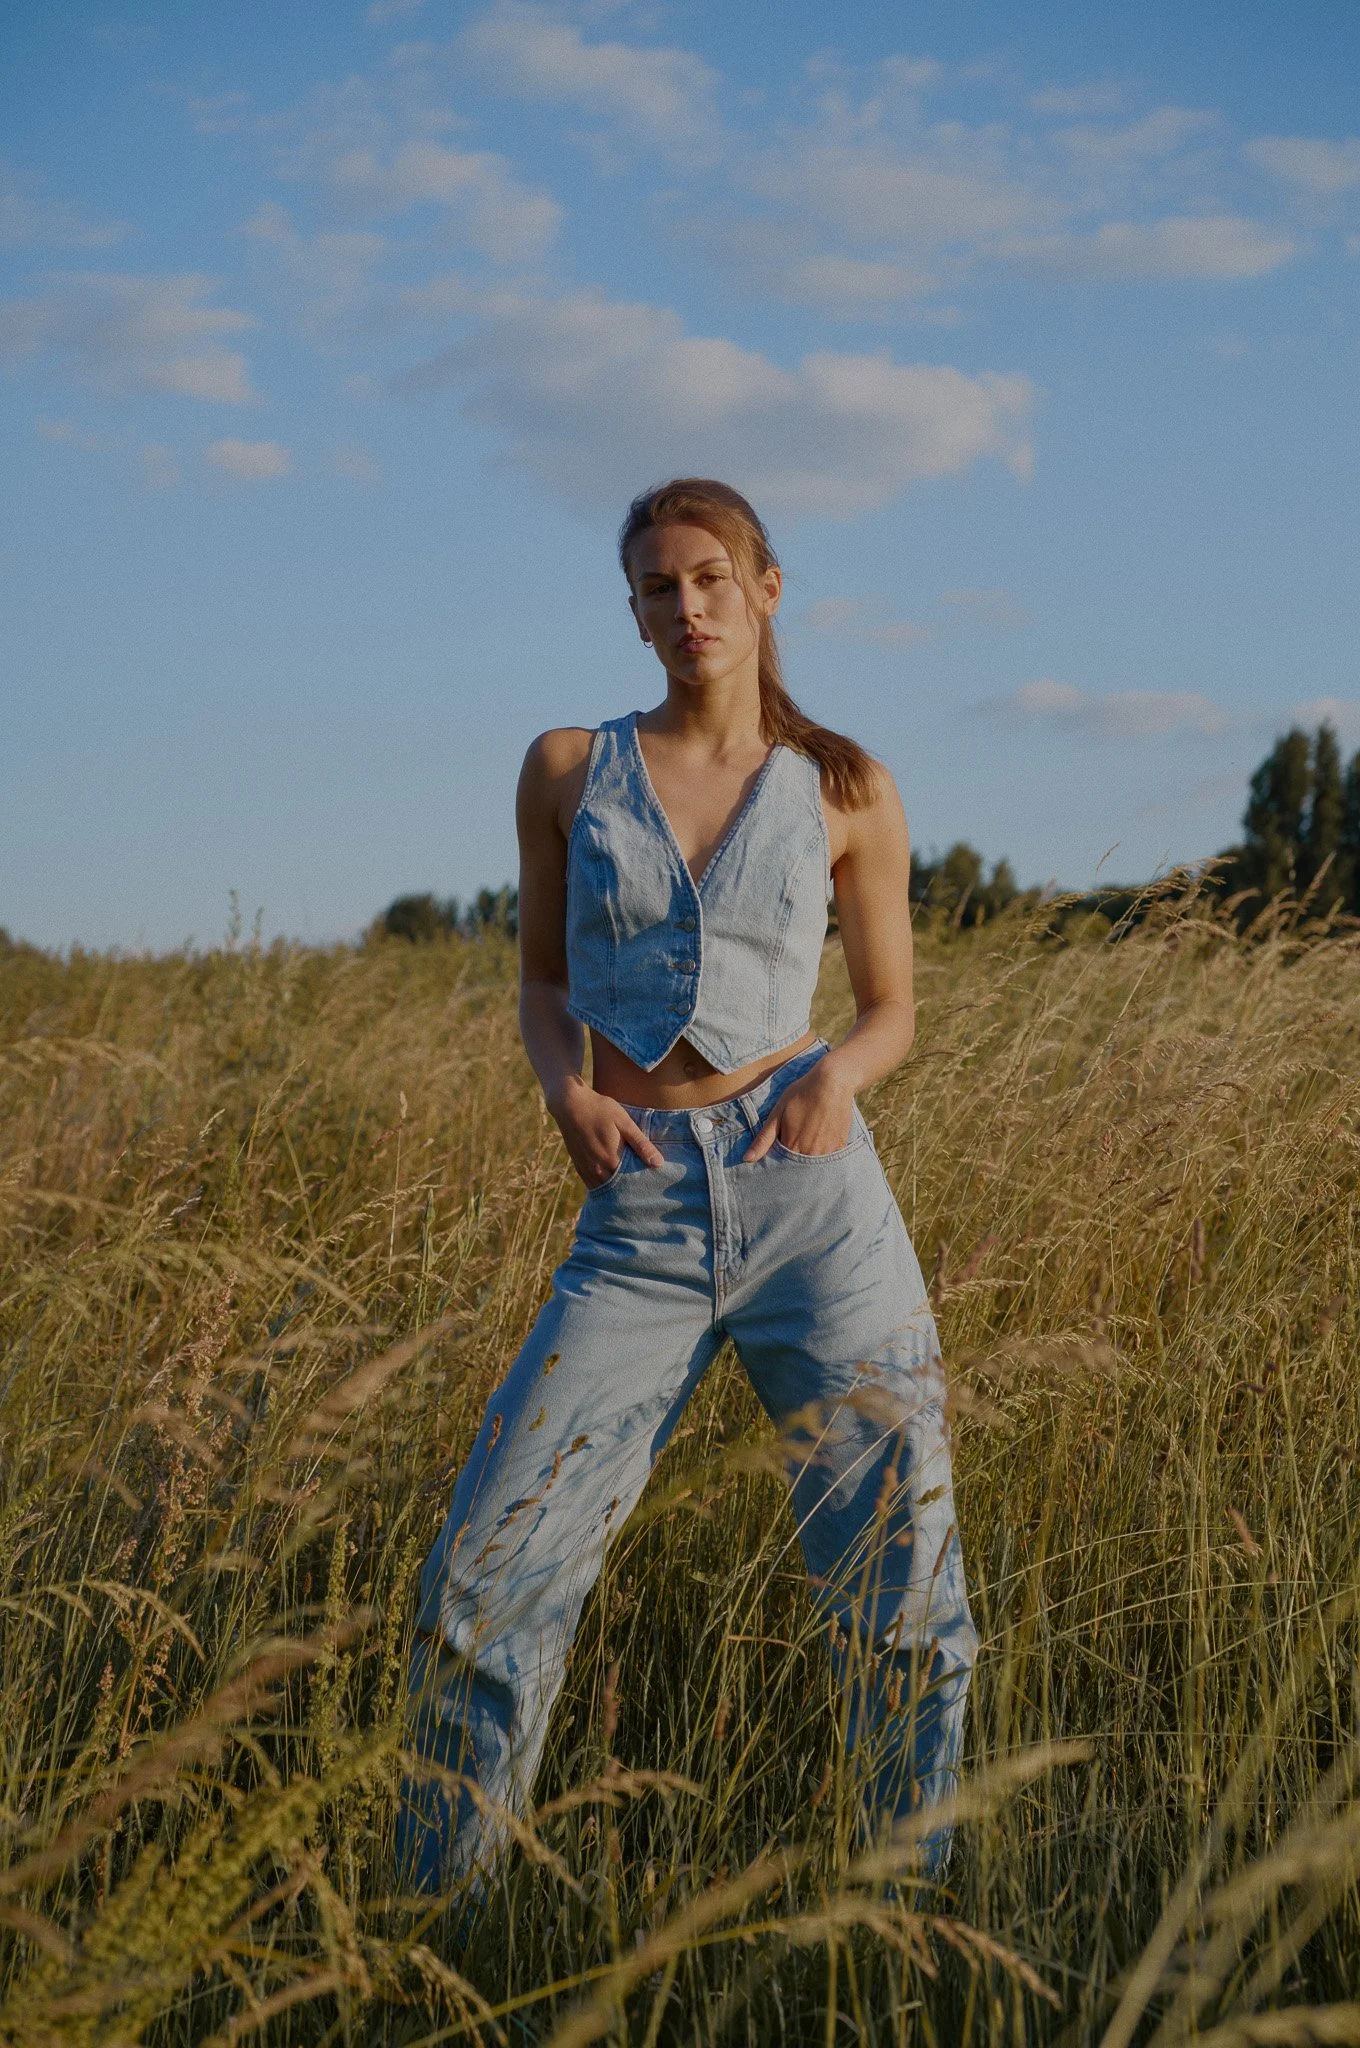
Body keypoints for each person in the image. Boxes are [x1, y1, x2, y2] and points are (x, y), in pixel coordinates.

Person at [397, 478, 976, 1892]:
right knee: (485, 1581)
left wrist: (838, 1081)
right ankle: (433, 1935)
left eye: (712, 577)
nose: (688, 607)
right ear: (636, 612)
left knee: (900, 1585)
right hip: (643, 1203)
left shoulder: (847, 786)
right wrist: (568, 1092)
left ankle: (916, 1930)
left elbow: (892, 1007)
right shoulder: (565, 769)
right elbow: (542, 983)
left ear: (766, 589)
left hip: (811, 1193)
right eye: (658, 587)